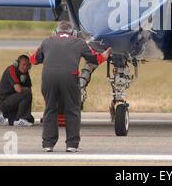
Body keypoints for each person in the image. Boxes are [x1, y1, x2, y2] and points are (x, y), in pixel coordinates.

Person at [30, 21, 111, 153]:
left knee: (50, 109)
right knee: (72, 109)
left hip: (48, 77)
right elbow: (95, 59)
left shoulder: (47, 41)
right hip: (69, 77)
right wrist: (105, 55)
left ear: (56, 32)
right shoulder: (79, 42)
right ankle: (72, 144)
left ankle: (48, 144)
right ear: (73, 33)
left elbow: (33, 60)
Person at [0, 55, 34, 127]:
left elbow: (29, 88)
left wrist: (25, 89)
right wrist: (25, 89)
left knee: (30, 120)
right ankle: (20, 119)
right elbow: (18, 89)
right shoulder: (11, 70)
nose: (25, 67)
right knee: (27, 93)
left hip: (13, 101)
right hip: (3, 100)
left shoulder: (25, 73)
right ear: (17, 63)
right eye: (23, 64)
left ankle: (4, 116)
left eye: (27, 65)